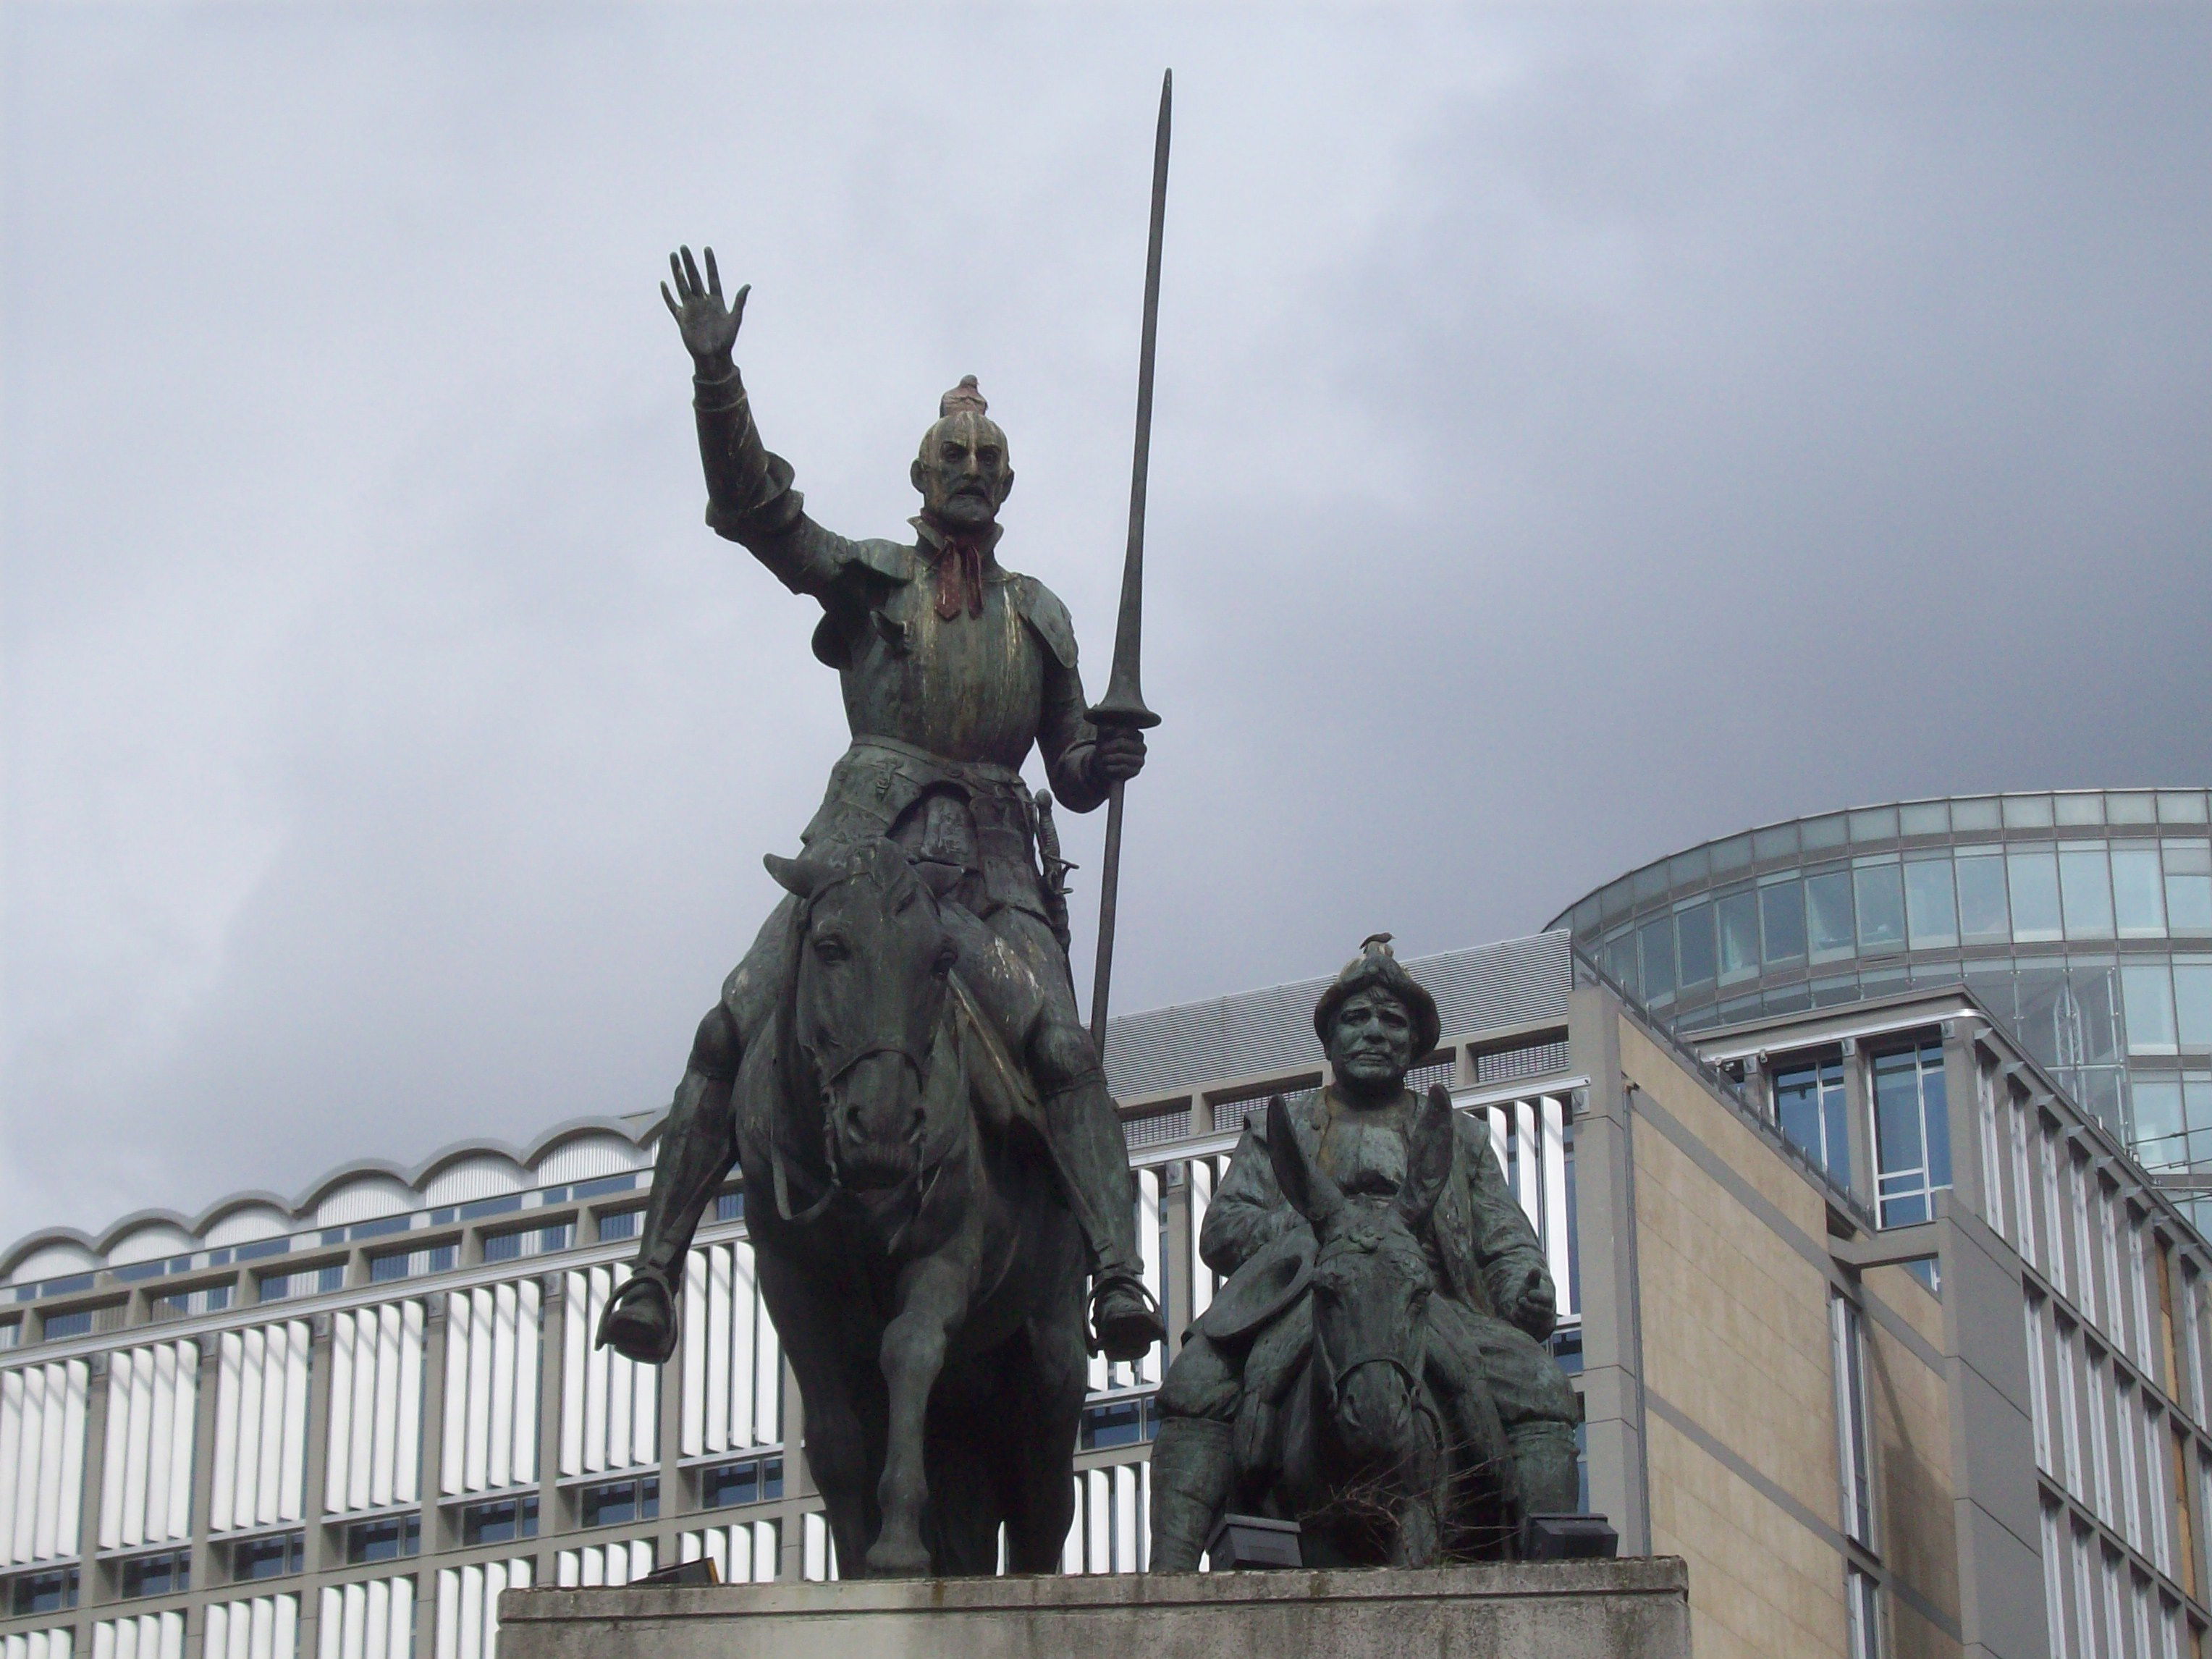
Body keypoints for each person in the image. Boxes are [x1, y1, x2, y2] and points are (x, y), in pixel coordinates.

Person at [596, 248, 1163, 1365]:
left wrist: (1106, 755)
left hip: (993, 874)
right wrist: (720, 381)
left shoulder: (1039, 615)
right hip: (864, 853)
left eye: (986, 459)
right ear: (920, 475)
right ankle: (653, 1270)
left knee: (1061, 1050)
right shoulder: (869, 578)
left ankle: (1115, 1270)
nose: (968, 468)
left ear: (1007, 484)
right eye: (951, 454)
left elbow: (1072, 780)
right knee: (733, 1020)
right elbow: (758, 513)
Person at [1147, 936, 1582, 1569]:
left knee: (1543, 1385)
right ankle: (1172, 1577)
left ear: (1413, 1043)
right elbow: (1223, 1227)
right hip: (1313, 1291)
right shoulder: (1286, 1129)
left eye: (1391, 1021)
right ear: (1330, 1041)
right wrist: (1312, 1234)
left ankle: (1554, 1575)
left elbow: (1504, 1236)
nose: (1374, 1032)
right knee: (1196, 1381)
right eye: (1357, 1019)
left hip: (1426, 1300)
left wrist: (1525, 1285)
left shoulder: (1460, 1139)